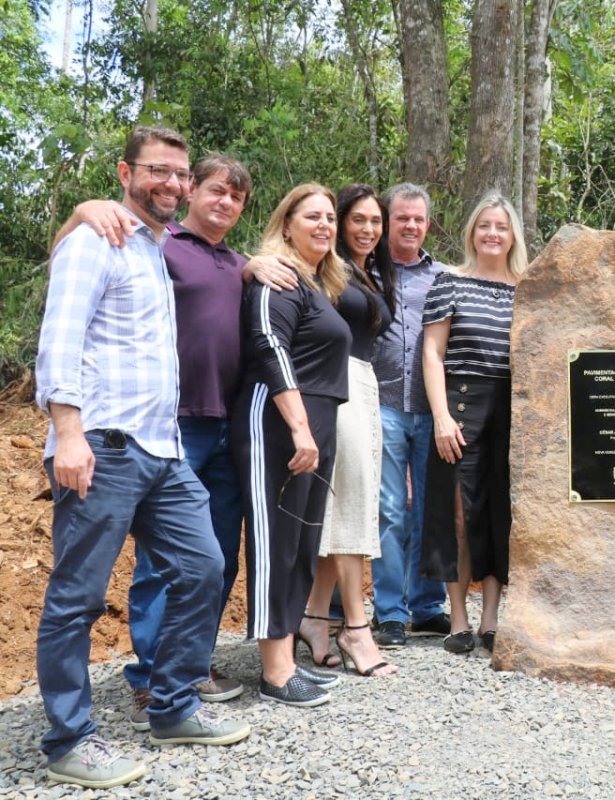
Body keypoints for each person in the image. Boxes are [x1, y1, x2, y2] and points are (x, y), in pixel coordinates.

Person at [35, 125, 249, 790]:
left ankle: (173, 703)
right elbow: (60, 336)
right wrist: (67, 434)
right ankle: (70, 737)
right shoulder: (97, 237)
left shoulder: (154, 246)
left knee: (204, 566)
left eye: (179, 174)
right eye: (157, 170)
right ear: (125, 173)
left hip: (162, 449)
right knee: (77, 598)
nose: (172, 184)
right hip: (101, 446)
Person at [232, 183, 351, 707]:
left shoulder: (316, 283)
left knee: (302, 541)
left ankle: (286, 657)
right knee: (275, 540)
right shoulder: (276, 279)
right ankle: (275, 671)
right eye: (312, 217)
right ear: (286, 224)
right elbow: (268, 347)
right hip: (277, 424)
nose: (324, 225)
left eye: (330, 217)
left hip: (315, 423)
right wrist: (301, 429)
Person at [292, 184, 399, 677]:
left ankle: (315, 617)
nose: (367, 230)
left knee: (344, 505)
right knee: (351, 505)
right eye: (357, 219)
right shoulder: (322, 270)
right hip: (332, 387)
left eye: (376, 222)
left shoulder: (368, 273)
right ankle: (355, 626)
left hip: (361, 385)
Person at [421, 192, 527, 654]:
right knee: (459, 517)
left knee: (499, 514)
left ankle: (491, 620)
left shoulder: (527, 288)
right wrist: (441, 417)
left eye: (501, 227)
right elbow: (432, 352)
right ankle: (459, 618)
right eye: (484, 225)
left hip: (512, 410)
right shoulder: (450, 281)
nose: (492, 234)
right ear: (472, 233)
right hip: (460, 405)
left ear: (512, 235)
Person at [370, 183, 451, 648]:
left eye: (419, 219)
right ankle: (390, 613)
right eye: (402, 218)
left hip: (430, 409)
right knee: (387, 512)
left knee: (429, 511)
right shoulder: (366, 271)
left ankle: (427, 606)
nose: (411, 226)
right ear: (387, 220)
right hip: (381, 405)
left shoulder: (443, 276)